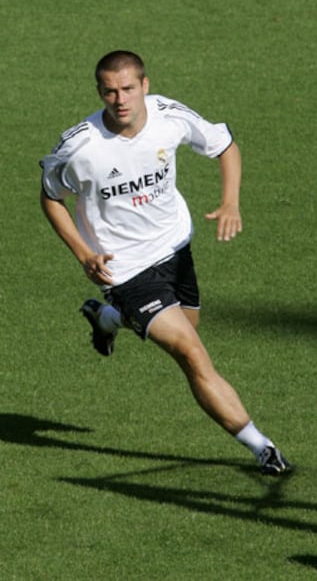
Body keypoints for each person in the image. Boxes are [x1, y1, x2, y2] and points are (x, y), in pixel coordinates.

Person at [40, 50, 291, 476]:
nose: (120, 99)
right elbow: (50, 197)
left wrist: (230, 201)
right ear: (100, 92)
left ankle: (107, 319)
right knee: (192, 353)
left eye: (128, 89)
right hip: (125, 269)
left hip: (175, 249)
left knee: (187, 330)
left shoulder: (169, 116)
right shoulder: (80, 146)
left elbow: (224, 146)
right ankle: (261, 447)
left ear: (145, 86)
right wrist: (83, 253)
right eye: (109, 91)